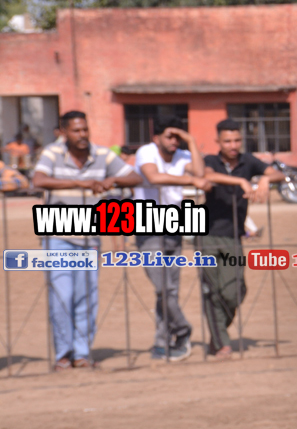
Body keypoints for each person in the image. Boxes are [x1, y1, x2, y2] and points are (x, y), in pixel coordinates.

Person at [31, 112, 142, 369]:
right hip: (57, 234)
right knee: (62, 296)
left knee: (86, 297)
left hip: (89, 235)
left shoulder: (102, 154)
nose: (82, 135)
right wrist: (80, 183)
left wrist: (113, 179)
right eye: (76, 130)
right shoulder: (52, 153)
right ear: (63, 133)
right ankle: (63, 353)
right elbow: (39, 180)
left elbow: (136, 177)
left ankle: (81, 354)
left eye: (85, 129)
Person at [201, 119, 285, 358]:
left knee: (235, 290)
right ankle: (221, 342)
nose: (233, 145)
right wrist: (241, 181)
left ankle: (218, 333)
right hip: (207, 234)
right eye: (227, 141)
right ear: (218, 141)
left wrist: (266, 179)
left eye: (237, 140)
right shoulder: (211, 161)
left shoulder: (248, 161)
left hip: (234, 236)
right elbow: (208, 176)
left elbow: (278, 173)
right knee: (212, 290)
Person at [134, 117, 210, 360]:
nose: (174, 141)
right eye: (169, 136)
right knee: (162, 287)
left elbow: (200, 172)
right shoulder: (146, 152)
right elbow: (154, 177)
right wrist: (191, 180)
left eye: (178, 137)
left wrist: (192, 142)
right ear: (156, 138)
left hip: (174, 224)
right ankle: (183, 329)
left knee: (170, 290)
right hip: (147, 224)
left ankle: (162, 341)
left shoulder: (183, 155)